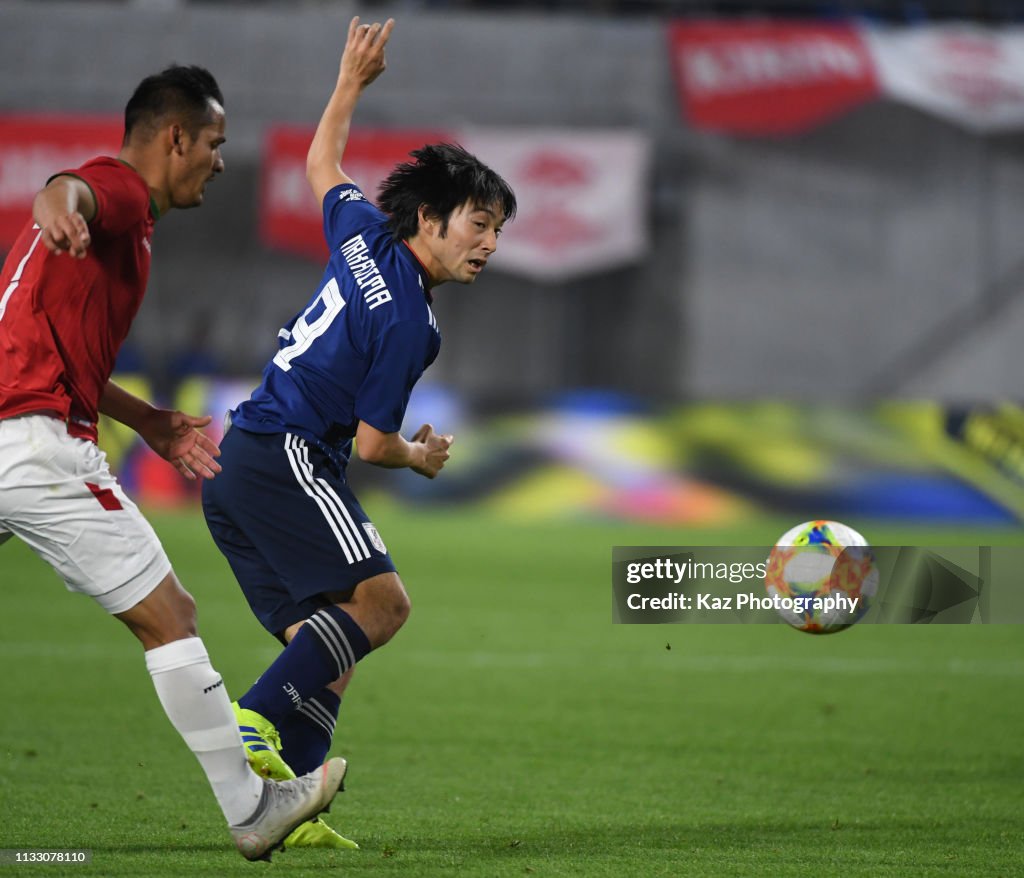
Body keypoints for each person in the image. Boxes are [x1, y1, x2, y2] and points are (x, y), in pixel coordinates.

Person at [0, 64, 346, 861]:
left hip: (17, 424)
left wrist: (148, 418)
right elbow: (73, 189)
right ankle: (253, 806)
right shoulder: (119, 190)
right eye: (214, 144)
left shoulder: (126, 232)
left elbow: (61, 347)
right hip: (35, 446)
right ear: (176, 138)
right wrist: (57, 200)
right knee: (172, 616)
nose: (219, 162)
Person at [201, 16, 516, 848]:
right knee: (383, 604)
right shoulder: (413, 321)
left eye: (497, 231)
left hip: (237, 464)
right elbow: (374, 447)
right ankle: (249, 726)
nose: (489, 244)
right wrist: (421, 455)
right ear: (429, 220)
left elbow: (321, 164)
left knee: (325, 647)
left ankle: (290, 815)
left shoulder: (365, 235)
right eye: (477, 224)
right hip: (289, 454)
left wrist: (349, 82)